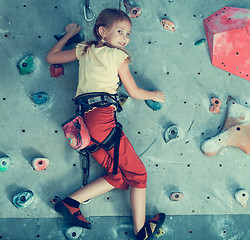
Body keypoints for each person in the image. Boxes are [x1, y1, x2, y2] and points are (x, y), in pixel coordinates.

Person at [46, 8, 166, 240]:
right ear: (102, 31)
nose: (125, 37)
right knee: (139, 175)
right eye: (120, 31)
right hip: (101, 121)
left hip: (84, 125)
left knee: (117, 176)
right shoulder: (118, 57)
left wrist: (68, 35)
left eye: (128, 34)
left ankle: (71, 204)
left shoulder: (85, 50)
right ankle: (142, 232)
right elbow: (133, 91)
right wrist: (154, 95)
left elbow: (51, 58)